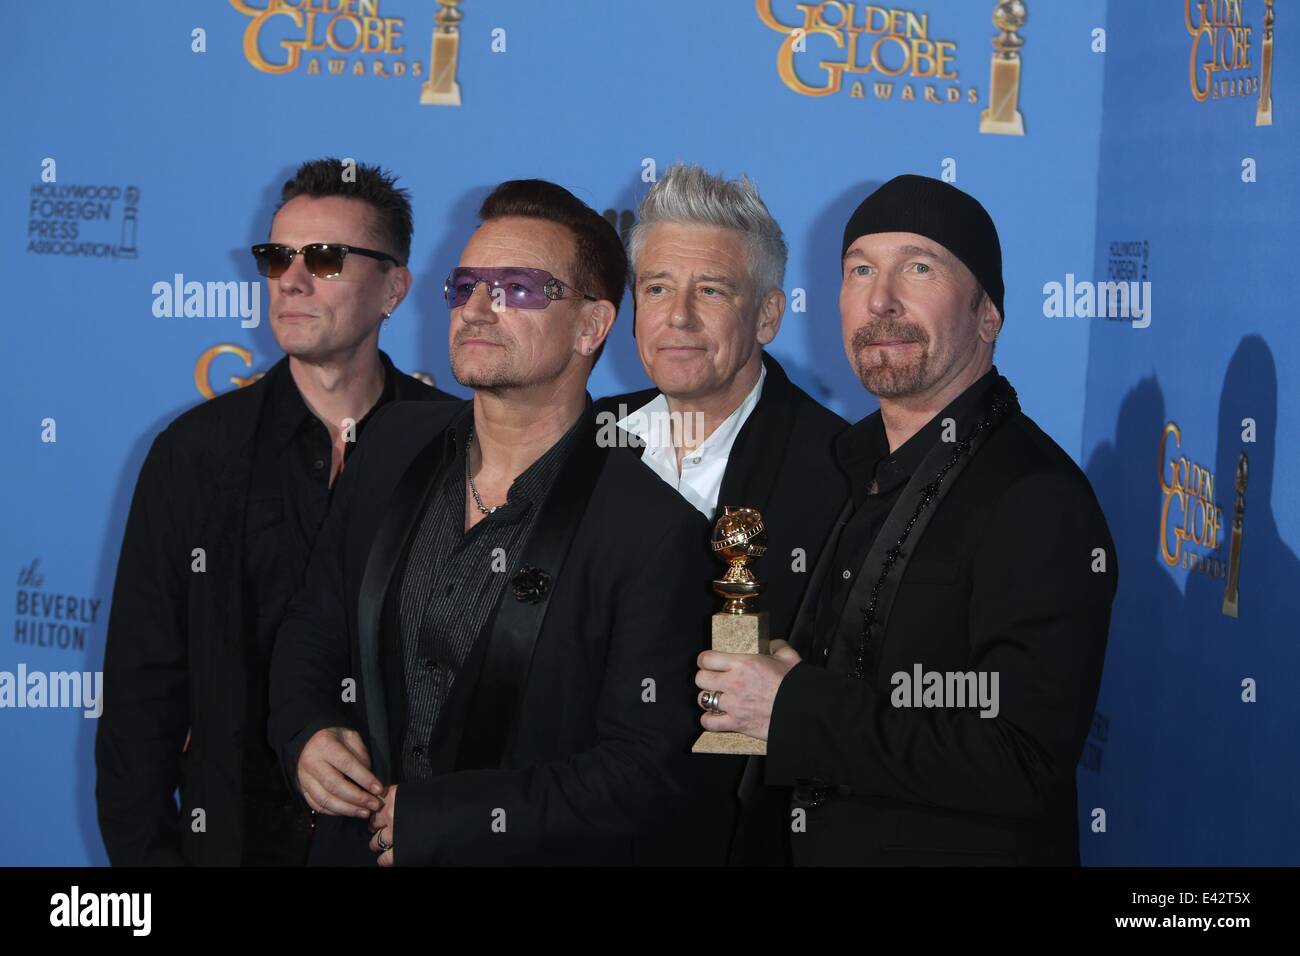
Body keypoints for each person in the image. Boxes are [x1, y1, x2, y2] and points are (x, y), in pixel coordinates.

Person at [268, 179, 716, 865]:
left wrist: (455, 820)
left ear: (591, 326)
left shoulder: (653, 528)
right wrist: (309, 731)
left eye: (517, 288)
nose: (477, 308)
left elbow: (645, 769)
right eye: (466, 284)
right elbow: (312, 626)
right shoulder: (388, 447)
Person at [695, 174, 1118, 865]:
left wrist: (796, 708)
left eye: (918, 267)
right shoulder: (849, 465)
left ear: (988, 314)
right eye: (860, 269)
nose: (881, 299)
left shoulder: (1037, 497)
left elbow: (1022, 756)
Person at [96, 158, 454, 866]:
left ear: (393, 287)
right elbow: (142, 693)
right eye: (275, 257)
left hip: (407, 842)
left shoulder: (457, 445)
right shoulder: (193, 455)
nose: (290, 279)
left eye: (323, 258)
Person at [598, 163, 848, 864]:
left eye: (711, 290)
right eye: (656, 289)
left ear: (767, 315)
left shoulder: (842, 472)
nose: (677, 317)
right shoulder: (579, 447)